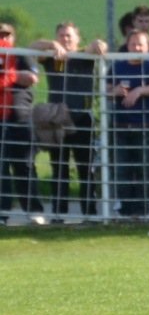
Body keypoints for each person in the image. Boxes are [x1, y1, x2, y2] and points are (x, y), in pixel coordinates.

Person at [31, 22, 107, 219]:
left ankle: (89, 214)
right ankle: (59, 214)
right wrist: (51, 45)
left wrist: (96, 44)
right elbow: (32, 47)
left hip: (82, 118)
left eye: (69, 35)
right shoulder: (51, 57)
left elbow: (101, 46)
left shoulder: (85, 56)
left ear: (77, 38)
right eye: (61, 35)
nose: (65, 39)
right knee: (59, 168)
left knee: (85, 168)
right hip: (57, 119)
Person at [107, 29, 149, 216]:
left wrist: (139, 90)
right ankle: (125, 212)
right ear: (127, 46)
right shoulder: (117, 66)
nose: (136, 48)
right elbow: (105, 89)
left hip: (147, 127)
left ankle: (142, 211)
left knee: (145, 170)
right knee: (122, 170)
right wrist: (115, 91)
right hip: (120, 127)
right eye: (133, 44)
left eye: (140, 44)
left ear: (147, 47)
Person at [0, 22, 45, 224]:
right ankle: (2, 213)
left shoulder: (21, 55)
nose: (3, 38)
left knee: (25, 165)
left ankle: (34, 211)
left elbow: (32, 78)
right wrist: (14, 77)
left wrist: (8, 76)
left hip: (20, 118)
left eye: (6, 35)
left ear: (13, 37)